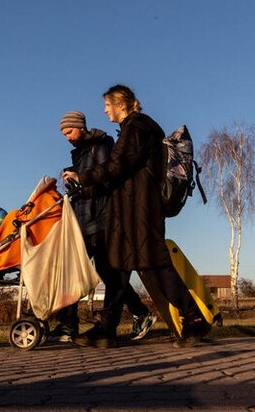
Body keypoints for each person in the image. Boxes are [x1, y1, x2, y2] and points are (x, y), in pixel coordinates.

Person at [63, 85, 210, 348]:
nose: (105, 110)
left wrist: (82, 177)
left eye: (107, 105)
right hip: (128, 211)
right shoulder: (134, 128)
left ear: (120, 104)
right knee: (117, 270)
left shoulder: (138, 127)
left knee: (155, 267)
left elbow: (118, 165)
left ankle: (194, 319)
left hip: (141, 211)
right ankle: (107, 329)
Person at [50, 110, 157, 345]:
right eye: (63, 133)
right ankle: (68, 324)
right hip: (83, 221)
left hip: (102, 220)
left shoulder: (101, 146)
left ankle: (138, 314)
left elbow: (108, 179)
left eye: (69, 131)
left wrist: (80, 180)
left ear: (81, 126)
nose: (66, 136)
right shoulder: (79, 153)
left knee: (109, 274)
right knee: (71, 271)